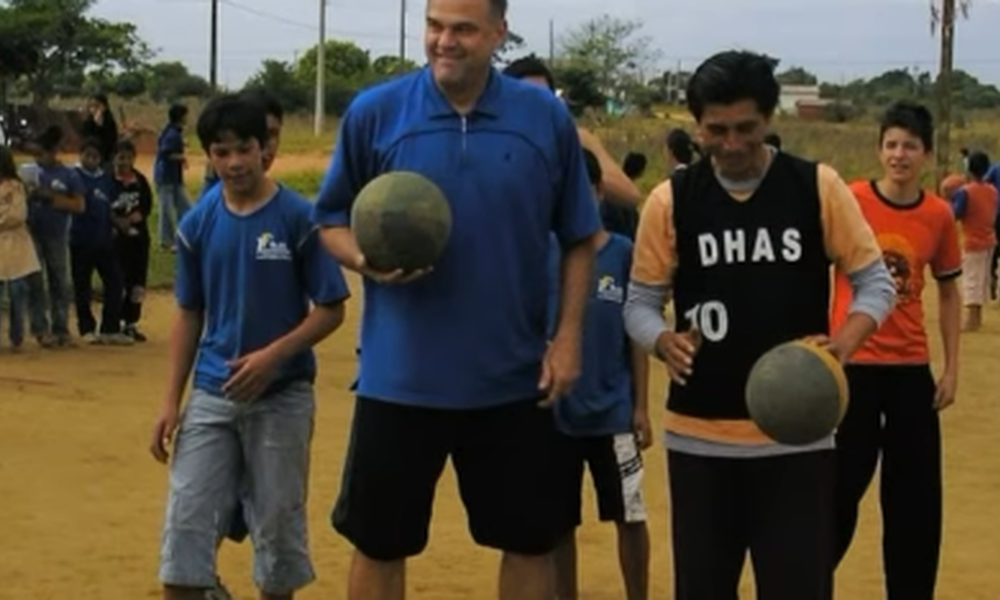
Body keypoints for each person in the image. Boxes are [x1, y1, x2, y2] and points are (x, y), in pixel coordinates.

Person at [311, 0, 601, 597]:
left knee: (528, 541)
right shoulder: (376, 112)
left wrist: (569, 337)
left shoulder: (543, 118)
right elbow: (330, 220)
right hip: (400, 378)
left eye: (464, 29)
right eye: (435, 25)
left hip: (514, 377)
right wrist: (364, 259)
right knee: (379, 542)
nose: (445, 41)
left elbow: (580, 237)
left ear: (498, 33)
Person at [623, 49, 896, 600]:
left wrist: (842, 345)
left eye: (745, 128)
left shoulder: (815, 186)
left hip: (797, 438)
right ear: (697, 127)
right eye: (715, 130)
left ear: (769, 119)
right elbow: (639, 303)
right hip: (699, 437)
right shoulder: (671, 200)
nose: (731, 144)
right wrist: (661, 340)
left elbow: (876, 283)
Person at [148, 93, 350, 600]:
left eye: (244, 148)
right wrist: (171, 401)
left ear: (265, 149)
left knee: (277, 542)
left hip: (282, 397)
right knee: (184, 541)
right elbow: (189, 313)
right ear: (208, 157)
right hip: (212, 395)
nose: (234, 162)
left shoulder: (299, 218)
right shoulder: (195, 226)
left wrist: (273, 356)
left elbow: (331, 308)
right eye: (222, 152)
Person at [830, 100, 962, 600]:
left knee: (915, 504)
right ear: (879, 150)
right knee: (835, 492)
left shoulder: (938, 215)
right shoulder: (850, 200)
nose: (899, 155)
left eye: (909, 146)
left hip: (910, 373)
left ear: (926, 153)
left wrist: (951, 369)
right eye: (890, 145)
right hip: (853, 369)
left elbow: (948, 292)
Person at [548, 148, 652, 600]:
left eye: (582, 191)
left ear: (597, 192)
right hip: (556, 416)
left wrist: (641, 406)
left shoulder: (623, 253)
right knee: (557, 524)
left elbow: (636, 335)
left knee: (631, 515)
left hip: (614, 414)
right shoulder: (544, 253)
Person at [502, 55, 640, 241]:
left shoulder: (574, 138)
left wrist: (570, 149)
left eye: (543, 99)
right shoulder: (491, 144)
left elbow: (630, 195)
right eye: (526, 99)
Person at [20, 125, 85, 348]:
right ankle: (40, 328)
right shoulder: (27, 172)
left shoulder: (68, 175)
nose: (41, 157)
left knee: (59, 281)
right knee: (35, 282)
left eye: (44, 153)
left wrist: (51, 197)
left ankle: (61, 327)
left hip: (56, 233)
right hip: (32, 233)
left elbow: (79, 205)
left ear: (55, 151)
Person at [71, 137, 131, 346]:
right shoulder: (74, 176)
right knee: (82, 286)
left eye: (95, 156)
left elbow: (108, 207)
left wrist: (117, 224)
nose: (91, 160)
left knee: (116, 281)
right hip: (80, 240)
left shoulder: (105, 179)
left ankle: (110, 327)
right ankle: (86, 327)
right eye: (87, 155)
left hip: (103, 240)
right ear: (81, 155)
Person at [110, 138, 154, 342]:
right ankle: (114, 321)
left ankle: (131, 322)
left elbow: (146, 205)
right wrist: (117, 221)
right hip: (116, 240)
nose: (124, 162)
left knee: (137, 282)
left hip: (138, 240)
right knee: (117, 280)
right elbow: (103, 205)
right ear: (114, 158)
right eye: (121, 157)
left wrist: (137, 216)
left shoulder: (140, 181)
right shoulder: (109, 181)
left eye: (128, 158)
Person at [949, 150, 998, 330]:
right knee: (982, 278)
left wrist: (949, 199)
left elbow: (955, 213)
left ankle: (971, 319)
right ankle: (977, 316)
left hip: (972, 240)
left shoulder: (966, 191)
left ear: (969, 169)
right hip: (989, 239)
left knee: (970, 278)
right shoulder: (992, 190)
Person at [0, 145, 40, 352]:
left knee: (18, 291)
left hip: (16, 244)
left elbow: (18, 214)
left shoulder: (16, 186)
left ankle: (16, 335)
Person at [154, 104, 191, 252]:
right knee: (166, 211)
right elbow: (166, 153)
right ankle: (166, 241)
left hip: (175, 178)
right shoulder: (172, 134)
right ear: (180, 117)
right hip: (165, 178)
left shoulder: (173, 132)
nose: (188, 118)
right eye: (186, 115)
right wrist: (182, 157)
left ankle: (187, 235)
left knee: (186, 207)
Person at [81, 93, 119, 167]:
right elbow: (86, 141)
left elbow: (112, 141)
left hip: (106, 159)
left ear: (104, 107)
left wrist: (100, 126)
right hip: (89, 158)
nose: (94, 109)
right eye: (91, 106)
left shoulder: (110, 122)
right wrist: (96, 125)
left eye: (97, 105)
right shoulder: (87, 122)